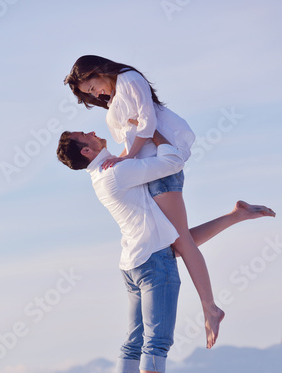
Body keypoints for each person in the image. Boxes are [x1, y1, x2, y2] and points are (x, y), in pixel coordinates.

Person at [56, 128, 275, 373]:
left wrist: (234, 217)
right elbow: (171, 161)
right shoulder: (117, 172)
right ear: (86, 152)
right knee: (157, 342)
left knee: (133, 344)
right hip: (153, 262)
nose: (93, 132)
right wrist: (153, 133)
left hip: (132, 262)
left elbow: (180, 239)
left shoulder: (103, 175)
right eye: (86, 135)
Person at [65, 55, 223, 350]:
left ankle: (211, 308)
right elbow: (132, 132)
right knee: (178, 242)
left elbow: (147, 123)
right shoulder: (117, 95)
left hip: (161, 168)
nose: (96, 93)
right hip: (150, 170)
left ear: (98, 71)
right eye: (90, 93)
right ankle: (236, 217)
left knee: (182, 243)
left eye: (92, 86)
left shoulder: (129, 79)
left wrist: (127, 156)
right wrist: (124, 156)